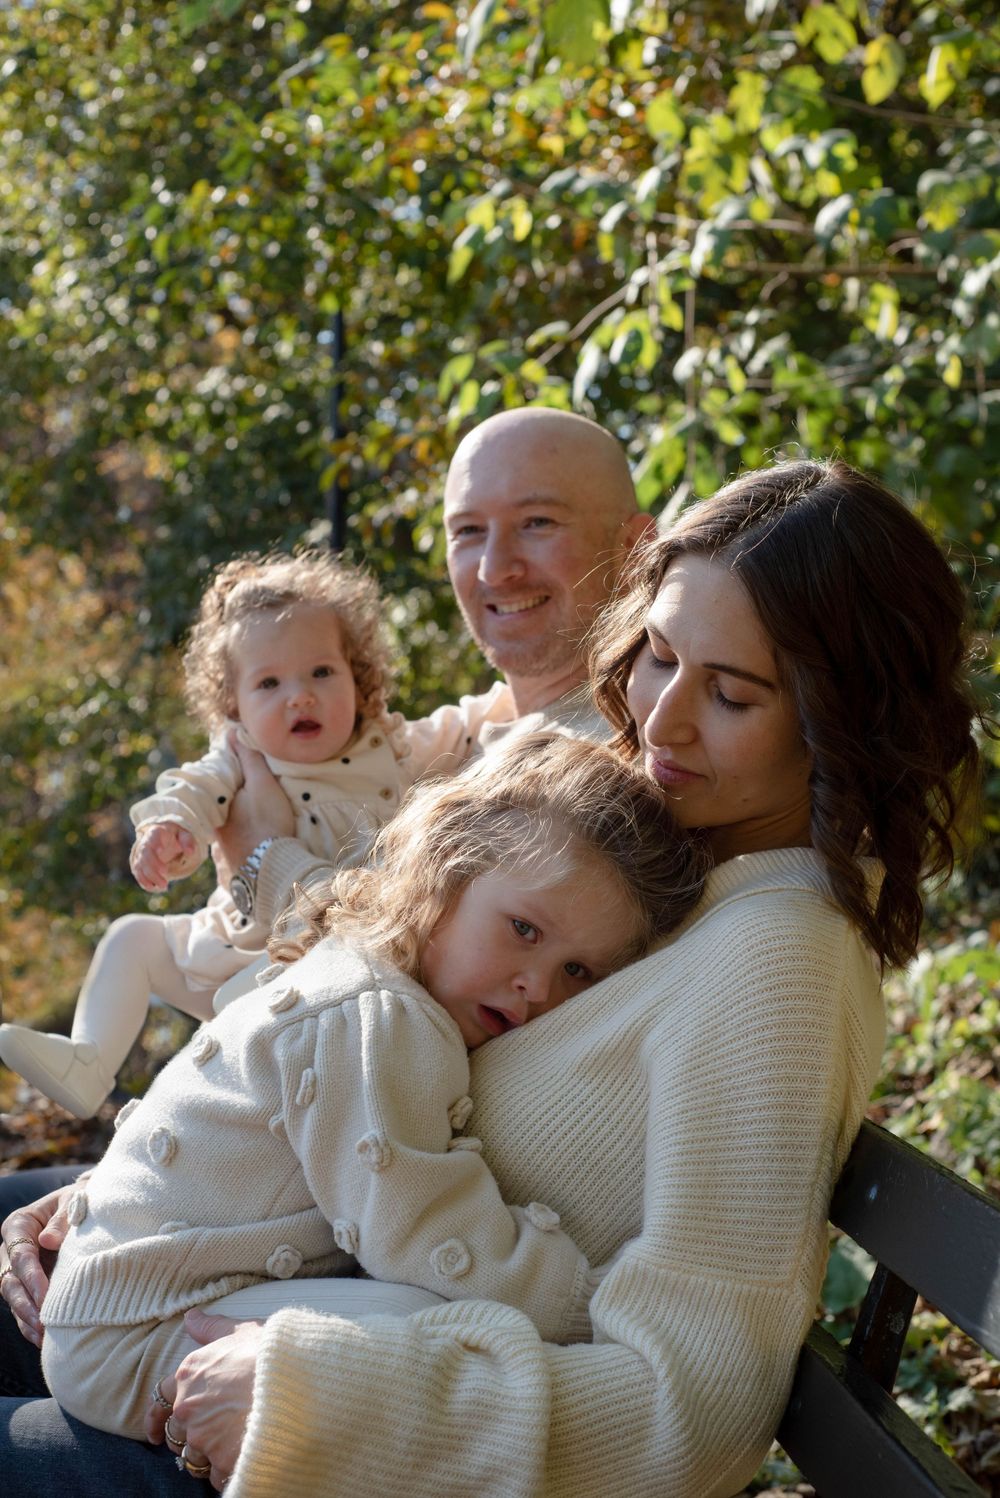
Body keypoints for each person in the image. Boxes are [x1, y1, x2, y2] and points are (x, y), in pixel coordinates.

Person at [1, 456, 986, 1497]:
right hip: (261, 1290)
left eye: (732, 693)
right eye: (657, 655)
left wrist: (327, 1403)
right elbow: (354, 1035)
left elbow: (700, 1407)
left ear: (843, 719)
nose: (661, 720)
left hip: (309, 1427)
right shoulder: (667, 851)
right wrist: (127, 1197)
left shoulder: (778, 966)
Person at [35, 732, 706, 1442]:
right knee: (440, 1329)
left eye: (578, 972)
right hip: (142, 1332)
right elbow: (428, 1234)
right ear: (447, 870)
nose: (538, 986)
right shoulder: (381, 1018)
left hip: (117, 1296)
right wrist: (587, 1302)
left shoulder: (366, 965)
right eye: (524, 930)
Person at [0, 549, 434, 1118]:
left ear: (360, 675)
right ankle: (90, 1061)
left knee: (249, 998)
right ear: (234, 706)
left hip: (322, 964)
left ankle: (219, 1095)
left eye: (322, 672)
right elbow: (197, 787)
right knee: (134, 937)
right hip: (236, 941)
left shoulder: (392, 748)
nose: (299, 695)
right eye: (269, 682)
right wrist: (172, 827)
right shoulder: (239, 753)